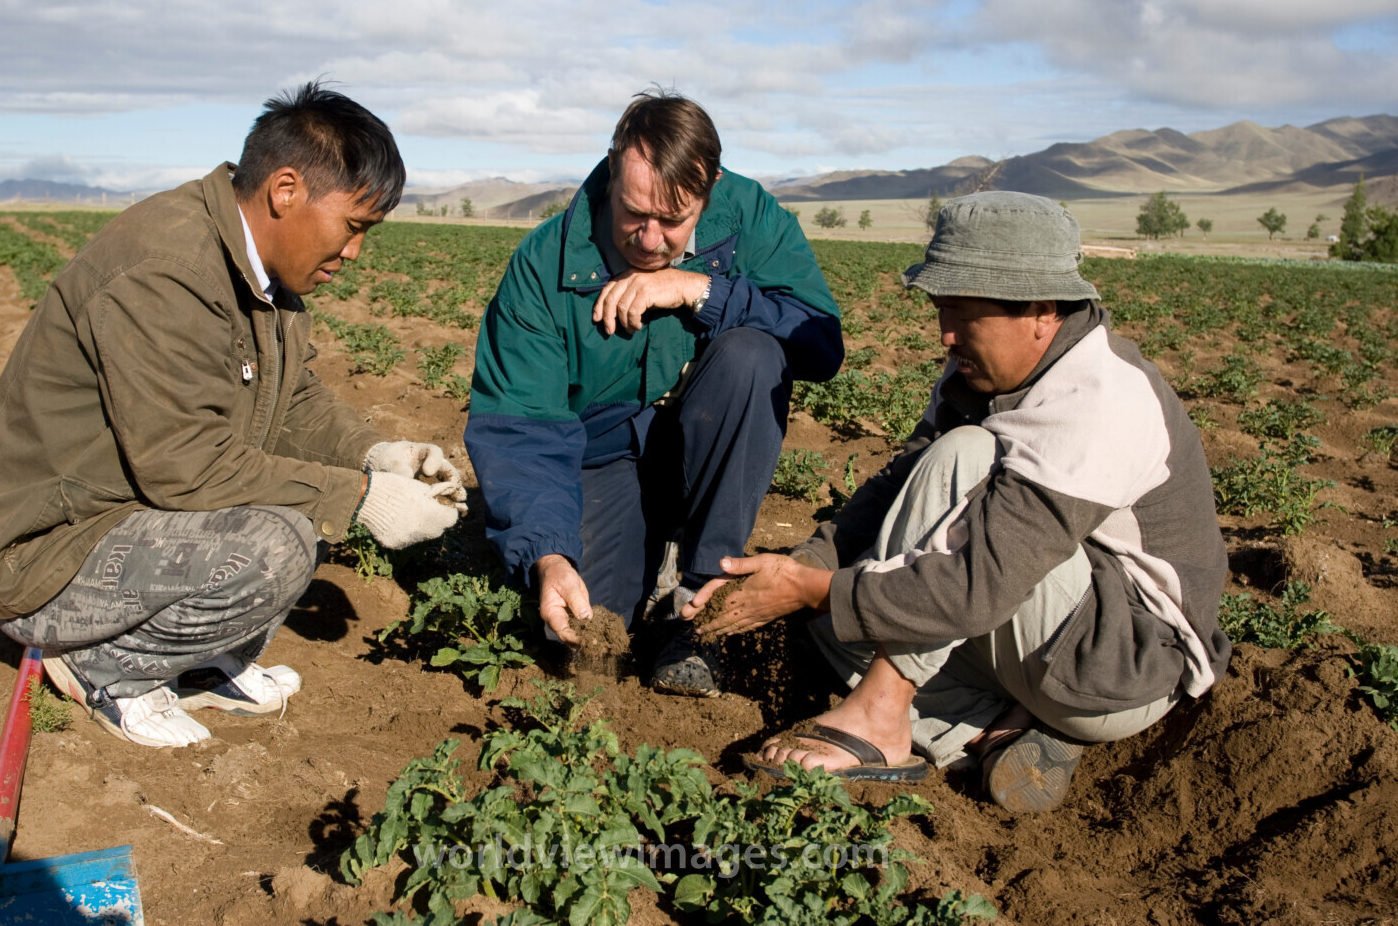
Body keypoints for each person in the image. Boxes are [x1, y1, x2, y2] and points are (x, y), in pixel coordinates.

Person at [684, 191, 1230, 811]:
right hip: (1036, 629)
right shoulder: (984, 371)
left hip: (1118, 662)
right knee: (832, 618)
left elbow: (977, 584)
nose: (946, 335)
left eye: (964, 315)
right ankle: (993, 727)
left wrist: (814, 589)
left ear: (1042, 311)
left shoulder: (1100, 398)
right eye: (941, 310)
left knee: (962, 460)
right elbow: (894, 490)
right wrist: (805, 568)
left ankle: (884, 716)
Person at [0, 82, 466, 748]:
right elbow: (186, 465)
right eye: (353, 226)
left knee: (303, 507)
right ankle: (106, 667)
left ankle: (196, 660)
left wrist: (376, 457)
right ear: (286, 191)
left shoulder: (259, 272)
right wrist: (364, 497)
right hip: (46, 557)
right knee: (279, 542)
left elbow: (292, 398)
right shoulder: (167, 270)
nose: (355, 253)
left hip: (123, 516)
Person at [465, 89, 842, 696]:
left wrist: (702, 291)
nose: (648, 239)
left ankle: (699, 600)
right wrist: (549, 555)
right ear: (612, 174)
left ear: (710, 189)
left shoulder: (750, 217)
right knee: (585, 637)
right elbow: (523, 425)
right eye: (633, 213)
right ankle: (644, 563)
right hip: (606, 454)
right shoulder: (545, 261)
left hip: (710, 445)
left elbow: (820, 345)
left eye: (673, 221)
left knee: (751, 354)